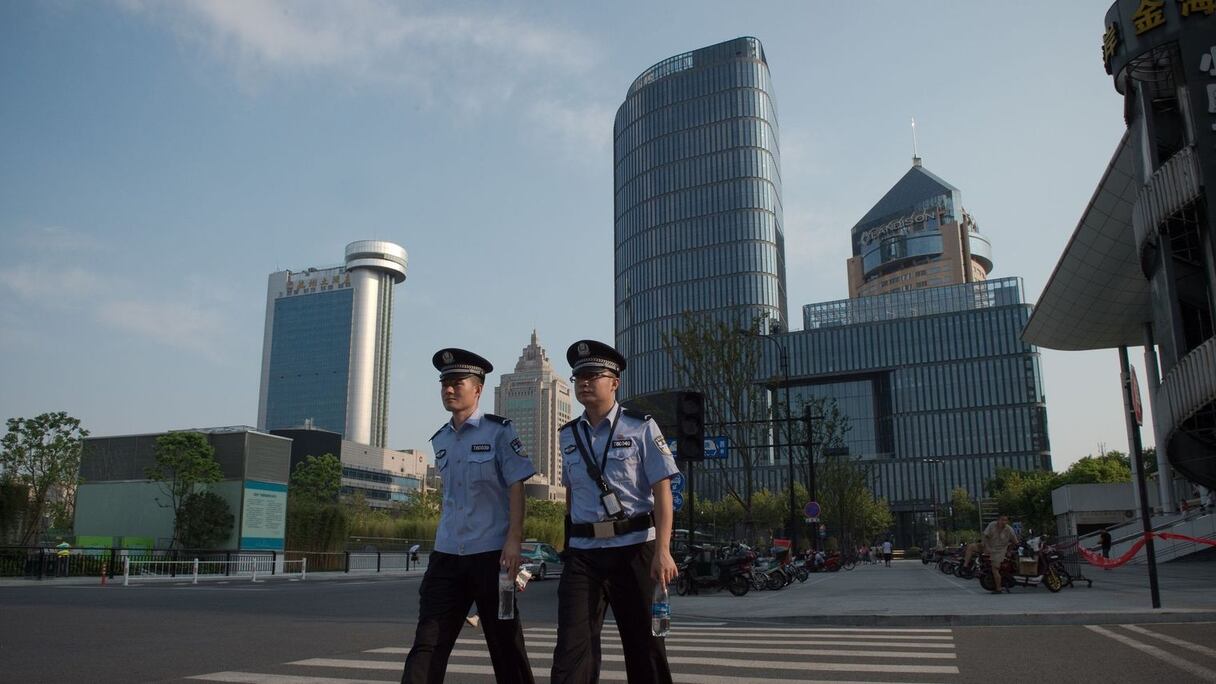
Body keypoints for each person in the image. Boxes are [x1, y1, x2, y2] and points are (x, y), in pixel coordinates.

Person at [401, 349, 536, 684]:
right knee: (428, 642)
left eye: (456, 382)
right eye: (444, 383)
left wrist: (514, 540)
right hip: (447, 556)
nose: (448, 389)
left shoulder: (499, 432)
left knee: (504, 643)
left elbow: (516, 486)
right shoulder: (441, 440)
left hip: (492, 557)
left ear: (476, 389)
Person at [550, 340, 679, 684]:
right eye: (579, 376)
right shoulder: (568, 435)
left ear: (615, 382)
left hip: (635, 548)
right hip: (584, 555)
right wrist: (568, 544)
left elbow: (662, 491)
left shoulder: (641, 426)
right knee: (571, 649)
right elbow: (572, 492)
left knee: (645, 649)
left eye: (593, 375)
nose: (584, 382)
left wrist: (663, 551)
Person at [981, 515, 1019, 594]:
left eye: (1005, 520)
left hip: (1000, 550)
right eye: (1002, 520)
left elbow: (1015, 542)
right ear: (998, 520)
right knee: (971, 548)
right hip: (990, 547)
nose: (1003, 522)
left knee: (995, 568)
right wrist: (987, 546)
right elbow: (985, 536)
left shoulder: (1009, 529)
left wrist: (1009, 550)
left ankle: (998, 588)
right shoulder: (992, 525)